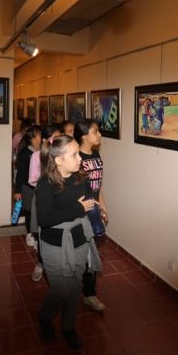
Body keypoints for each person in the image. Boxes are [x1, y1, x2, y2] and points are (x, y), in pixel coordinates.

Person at [35, 135, 102, 352]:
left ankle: (69, 326)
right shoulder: (46, 184)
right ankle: (45, 316)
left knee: (75, 288)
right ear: (59, 160)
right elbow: (44, 219)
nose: (79, 158)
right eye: (74, 154)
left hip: (80, 239)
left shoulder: (80, 176)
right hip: (55, 243)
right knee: (62, 289)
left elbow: (88, 196)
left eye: (78, 153)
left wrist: (98, 205)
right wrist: (78, 209)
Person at [73, 119, 108, 313]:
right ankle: (79, 289)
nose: (99, 135)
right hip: (81, 212)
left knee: (90, 253)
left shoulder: (95, 154)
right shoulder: (76, 157)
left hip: (94, 210)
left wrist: (103, 206)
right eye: (96, 131)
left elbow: (98, 185)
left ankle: (89, 293)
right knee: (82, 252)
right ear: (84, 135)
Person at [27, 125, 61, 282]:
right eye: (56, 138)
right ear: (47, 140)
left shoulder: (62, 155)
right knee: (43, 231)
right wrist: (47, 180)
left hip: (59, 197)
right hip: (42, 196)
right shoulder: (37, 156)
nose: (59, 141)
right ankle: (40, 263)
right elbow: (32, 179)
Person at [14, 125, 42, 247]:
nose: (39, 138)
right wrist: (17, 191)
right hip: (27, 188)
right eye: (36, 136)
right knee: (30, 212)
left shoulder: (43, 151)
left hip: (40, 187)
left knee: (39, 212)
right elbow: (20, 174)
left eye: (40, 135)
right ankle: (30, 234)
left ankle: (38, 234)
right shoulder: (25, 153)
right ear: (31, 138)